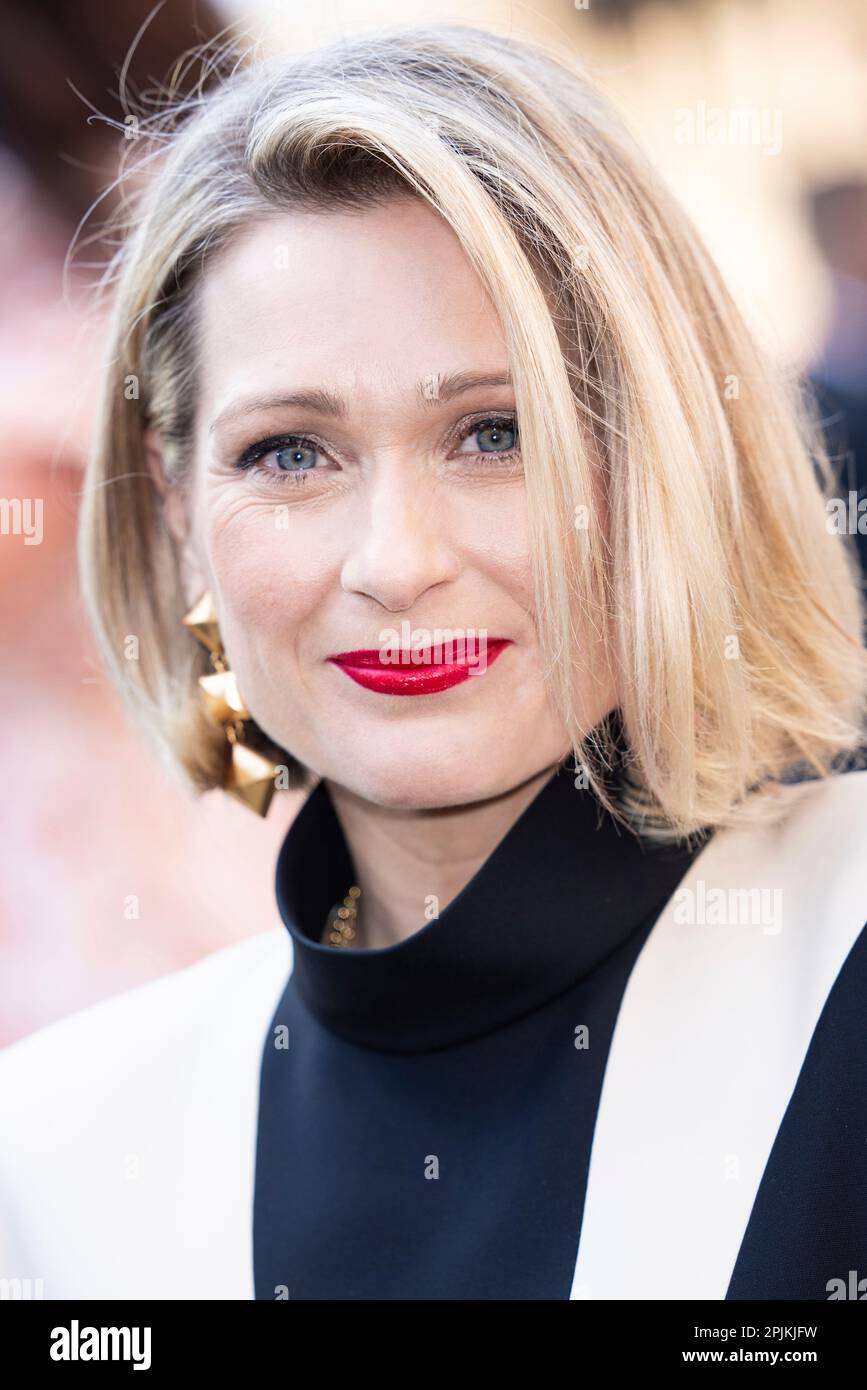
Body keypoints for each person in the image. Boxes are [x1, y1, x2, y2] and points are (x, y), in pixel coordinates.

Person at [1, 23, 865, 1302]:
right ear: (176, 506)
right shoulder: (58, 1158)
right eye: (291, 452)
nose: (395, 563)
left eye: (495, 432)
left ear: (666, 457)